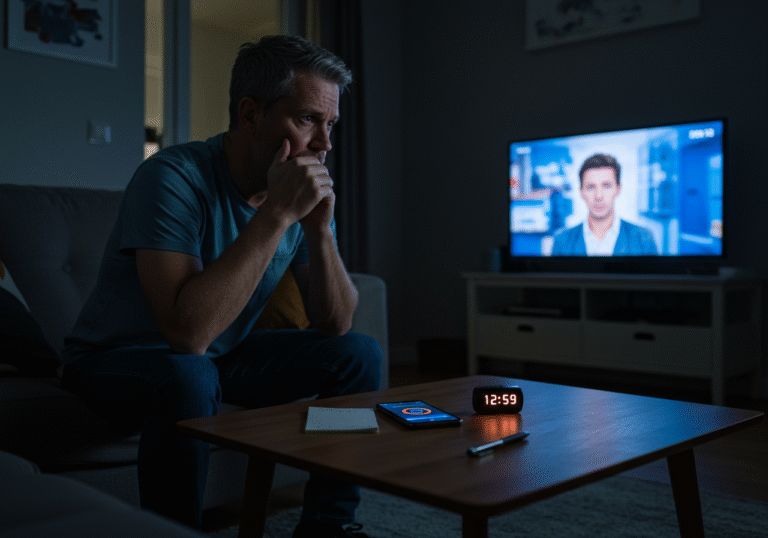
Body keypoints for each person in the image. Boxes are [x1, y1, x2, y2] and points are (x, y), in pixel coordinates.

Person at [61, 35, 381, 538]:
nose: (325, 144)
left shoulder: (298, 192)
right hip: (115, 359)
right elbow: (186, 337)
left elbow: (335, 323)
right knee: (189, 375)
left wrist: (318, 230)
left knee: (359, 353)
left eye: (331, 124)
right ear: (251, 115)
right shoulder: (171, 178)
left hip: (220, 354)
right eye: (307, 120)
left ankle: (329, 524)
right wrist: (276, 214)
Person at [550, 153, 658, 256]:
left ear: (618, 189)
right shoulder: (561, 240)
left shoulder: (644, 238)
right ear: (581, 192)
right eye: (591, 187)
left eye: (606, 186)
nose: (598, 196)